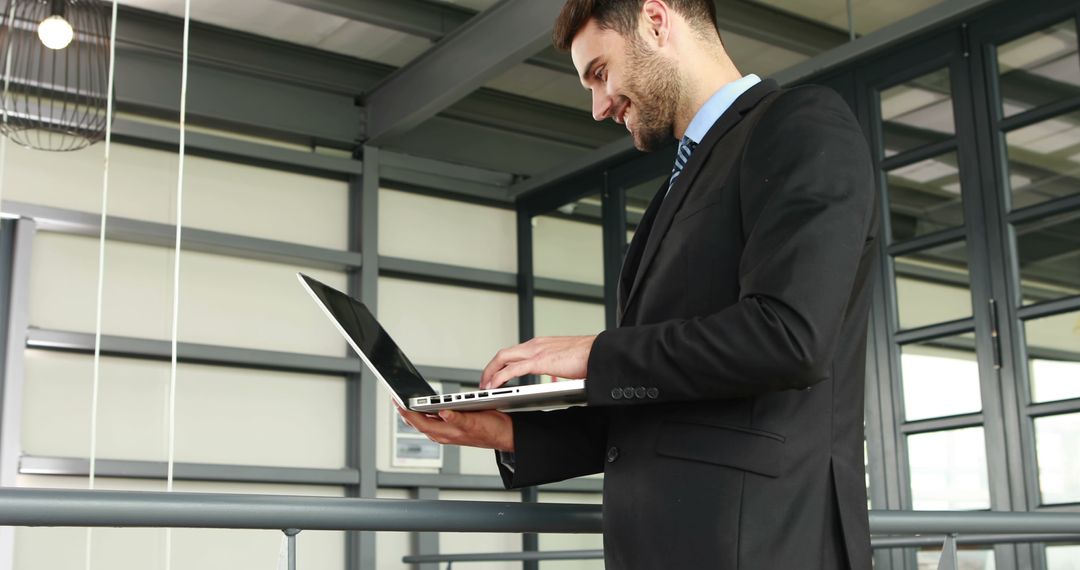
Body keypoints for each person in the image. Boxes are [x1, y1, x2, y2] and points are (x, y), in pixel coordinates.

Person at [398, 0, 878, 568]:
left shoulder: (799, 124)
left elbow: (789, 338)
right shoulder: (681, 186)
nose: (599, 106)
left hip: (758, 545)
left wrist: (595, 351)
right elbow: (668, 402)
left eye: (600, 73)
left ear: (655, 20)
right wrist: (508, 433)